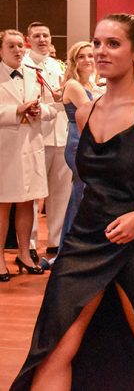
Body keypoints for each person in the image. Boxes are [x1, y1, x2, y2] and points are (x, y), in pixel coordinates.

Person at [11, 14, 134, 390]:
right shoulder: (85, 111)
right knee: (55, 347)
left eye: (113, 44)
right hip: (85, 239)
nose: (101, 51)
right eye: (97, 43)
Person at [0, 29, 57, 282]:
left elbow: (52, 108)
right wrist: (16, 111)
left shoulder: (36, 75)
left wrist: (39, 111)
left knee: (27, 203)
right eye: (11, 46)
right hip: (5, 149)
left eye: (20, 46)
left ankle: (25, 253)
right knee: (2, 205)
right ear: (1, 50)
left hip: (31, 145)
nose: (18, 50)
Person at [23, 22, 72, 257]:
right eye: (37, 36)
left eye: (46, 35)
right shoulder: (22, 65)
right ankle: (30, 244)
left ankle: (56, 241)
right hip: (36, 135)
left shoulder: (58, 66)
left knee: (60, 193)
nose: (42, 39)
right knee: (33, 195)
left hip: (60, 134)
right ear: (28, 39)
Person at [59, 41, 97, 247]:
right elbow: (92, 112)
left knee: (82, 193)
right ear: (74, 61)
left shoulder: (91, 84)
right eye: (81, 56)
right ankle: (73, 246)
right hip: (78, 143)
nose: (87, 60)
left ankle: (73, 244)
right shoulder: (74, 85)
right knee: (83, 192)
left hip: (90, 142)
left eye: (90, 55)